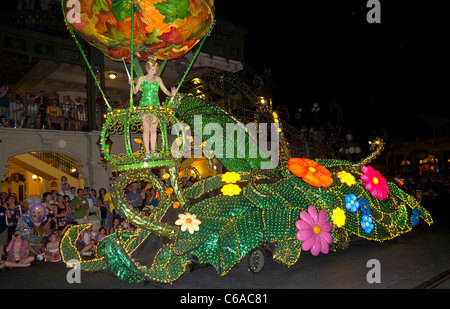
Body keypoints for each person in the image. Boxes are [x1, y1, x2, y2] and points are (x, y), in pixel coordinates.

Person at [130, 55, 176, 159]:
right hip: (144, 106)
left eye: (155, 70)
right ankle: (147, 152)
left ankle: (153, 152)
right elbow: (135, 91)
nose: (154, 72)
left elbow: (164, 90)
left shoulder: (158, 79)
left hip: (155, 106)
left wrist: (171, 94)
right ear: (147, 69)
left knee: (154, 130)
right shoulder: (142, 79)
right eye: (152, 70)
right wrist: (131, 84)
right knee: (146, 130)